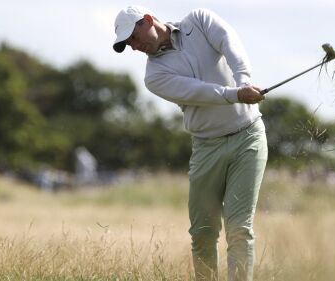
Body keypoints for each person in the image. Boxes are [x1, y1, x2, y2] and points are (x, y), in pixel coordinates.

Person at [112, 6, 268, 281]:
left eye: (133, 39)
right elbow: (198, 92)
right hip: (207, 146)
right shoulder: (154, 76)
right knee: (203, 233)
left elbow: (230, 43)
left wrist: (244, 81)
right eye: (128, 45)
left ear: (148, 20)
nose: (135, 48)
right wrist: (235, 94)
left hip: (248, 136)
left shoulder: (198, 20)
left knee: (238, 227)